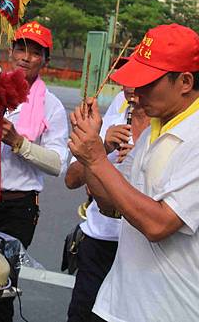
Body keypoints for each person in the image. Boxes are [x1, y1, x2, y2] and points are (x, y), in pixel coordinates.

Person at [68, 24, 199, 322]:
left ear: (185, 82)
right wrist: (92, 149)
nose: (136, 93)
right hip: (119, 303)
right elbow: (111, 205)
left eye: (147, 83)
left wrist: (96, 160)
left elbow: (158, 224)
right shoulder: (155, 132)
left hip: (174, 310)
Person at [0, 21, 69, 322]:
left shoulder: (52, 107)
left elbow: (59, 163)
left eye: (35, 52)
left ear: (45, 60)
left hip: (16, 207)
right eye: (20, 48)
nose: (25, 57)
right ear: (10, 51)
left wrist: (20, 142)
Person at [65, 86, 150, 322]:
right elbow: (71, 179)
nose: (132, 87)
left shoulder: (165, 130)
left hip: (140, 246)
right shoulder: (105, 123)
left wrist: (140, 160)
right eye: (127, 79)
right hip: (99, 241)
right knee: (82, 313)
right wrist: (101, 147)